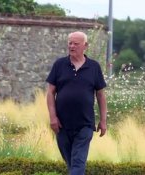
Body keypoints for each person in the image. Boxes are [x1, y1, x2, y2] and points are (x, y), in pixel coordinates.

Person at [46, 31, 107, 175]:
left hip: (85, 124)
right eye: (70, 43)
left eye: (76, 43)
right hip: (62, 125)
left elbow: (100, 95)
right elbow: (50, 92)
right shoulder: (59, 65)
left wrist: (103, 121)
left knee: (78, 162)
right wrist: (53, 118)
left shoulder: (94, 67)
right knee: (72, 163)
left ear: (85, 46)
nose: (72, 46)